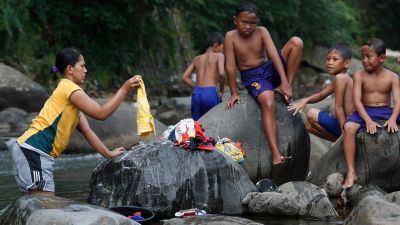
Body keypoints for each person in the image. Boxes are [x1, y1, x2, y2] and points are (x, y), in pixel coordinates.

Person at [11, 47, 141, 196]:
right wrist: (124, 89)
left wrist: (108, 154)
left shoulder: (69, 95)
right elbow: (101, 113)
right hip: (34, 151)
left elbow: (87, 131)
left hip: (32, 152)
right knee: (46, 205)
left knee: (37, 208)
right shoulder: (69, 89)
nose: (85, 70)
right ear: (70, 69)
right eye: (82, 65)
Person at [225, 2, 303, 165]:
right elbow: (230, 67)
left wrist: (285, 82)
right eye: (244, 22)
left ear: (258, 21)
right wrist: (233, 92)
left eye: (252, 23)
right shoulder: (230, 37)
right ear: (235, 20)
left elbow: (274, 56)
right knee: (268, 101)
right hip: (253, 78)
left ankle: (286, 89)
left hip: (269, 69)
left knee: (296, 42)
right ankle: (275, 152)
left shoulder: (262, 32)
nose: (248, 26)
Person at [342, 38, 400, 188]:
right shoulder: (359, 76)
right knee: (348, 128)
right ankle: (351, 171)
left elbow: (398, 101)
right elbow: (356, 101)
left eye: (369, 56)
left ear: (381, 58)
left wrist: (393, 119)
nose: (364, 60)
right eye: (362, 57)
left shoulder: (393, 77)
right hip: (365, 110)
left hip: (386, 111)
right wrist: (367, 120)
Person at [287, 43, 354, 142]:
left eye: (335, 59)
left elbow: (338, 107)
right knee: (308, 126)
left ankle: (344, 139)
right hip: (347, 124)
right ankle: (339, 141)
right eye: (328, 59)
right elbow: (321, 95)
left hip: (349, 126)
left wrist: (344, 131)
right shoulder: (342, 77)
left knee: (311, 113)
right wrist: (305, 101)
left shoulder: (341, 78)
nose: (330, 62)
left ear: (347, 63)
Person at [182, 32, 225, 120]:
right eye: (222, 47)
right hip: (210, 93)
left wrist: (196, 87)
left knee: (197, 126)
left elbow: (184, 77)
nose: (222, 50)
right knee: (215, 122)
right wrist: (221, 91)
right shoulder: (219, 56)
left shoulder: (197, 59)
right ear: (216, 45)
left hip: (196, 94)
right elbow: (221, 73)